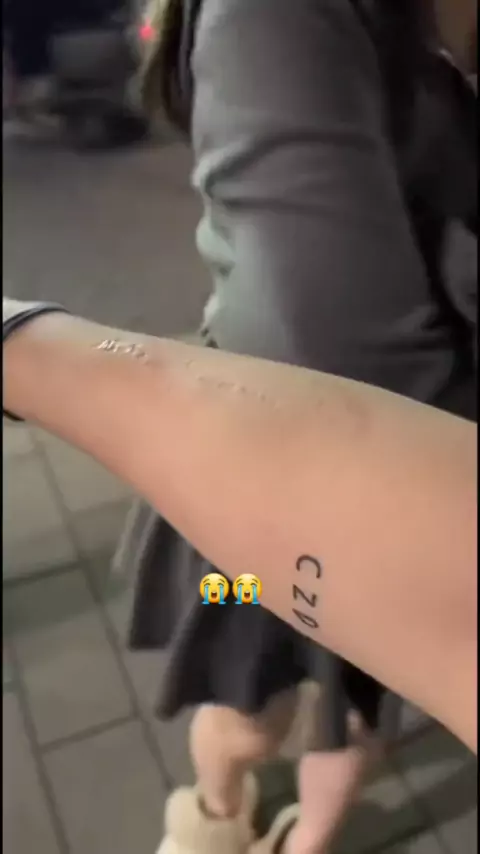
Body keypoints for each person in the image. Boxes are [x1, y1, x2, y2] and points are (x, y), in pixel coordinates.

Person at [5, 2, 477, 853]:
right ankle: (217, 819)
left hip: (382, 518)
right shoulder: (281, 17)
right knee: (252, 703)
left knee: (332, 725)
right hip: (268, 530)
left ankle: (271, 831)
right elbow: (330, 347)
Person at [2, 298, 477, 764]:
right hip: (290, 529)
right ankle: (256, 803)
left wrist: (24, 344)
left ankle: (224, 807)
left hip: (265, 538)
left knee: (259, 708)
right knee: (314, 717)